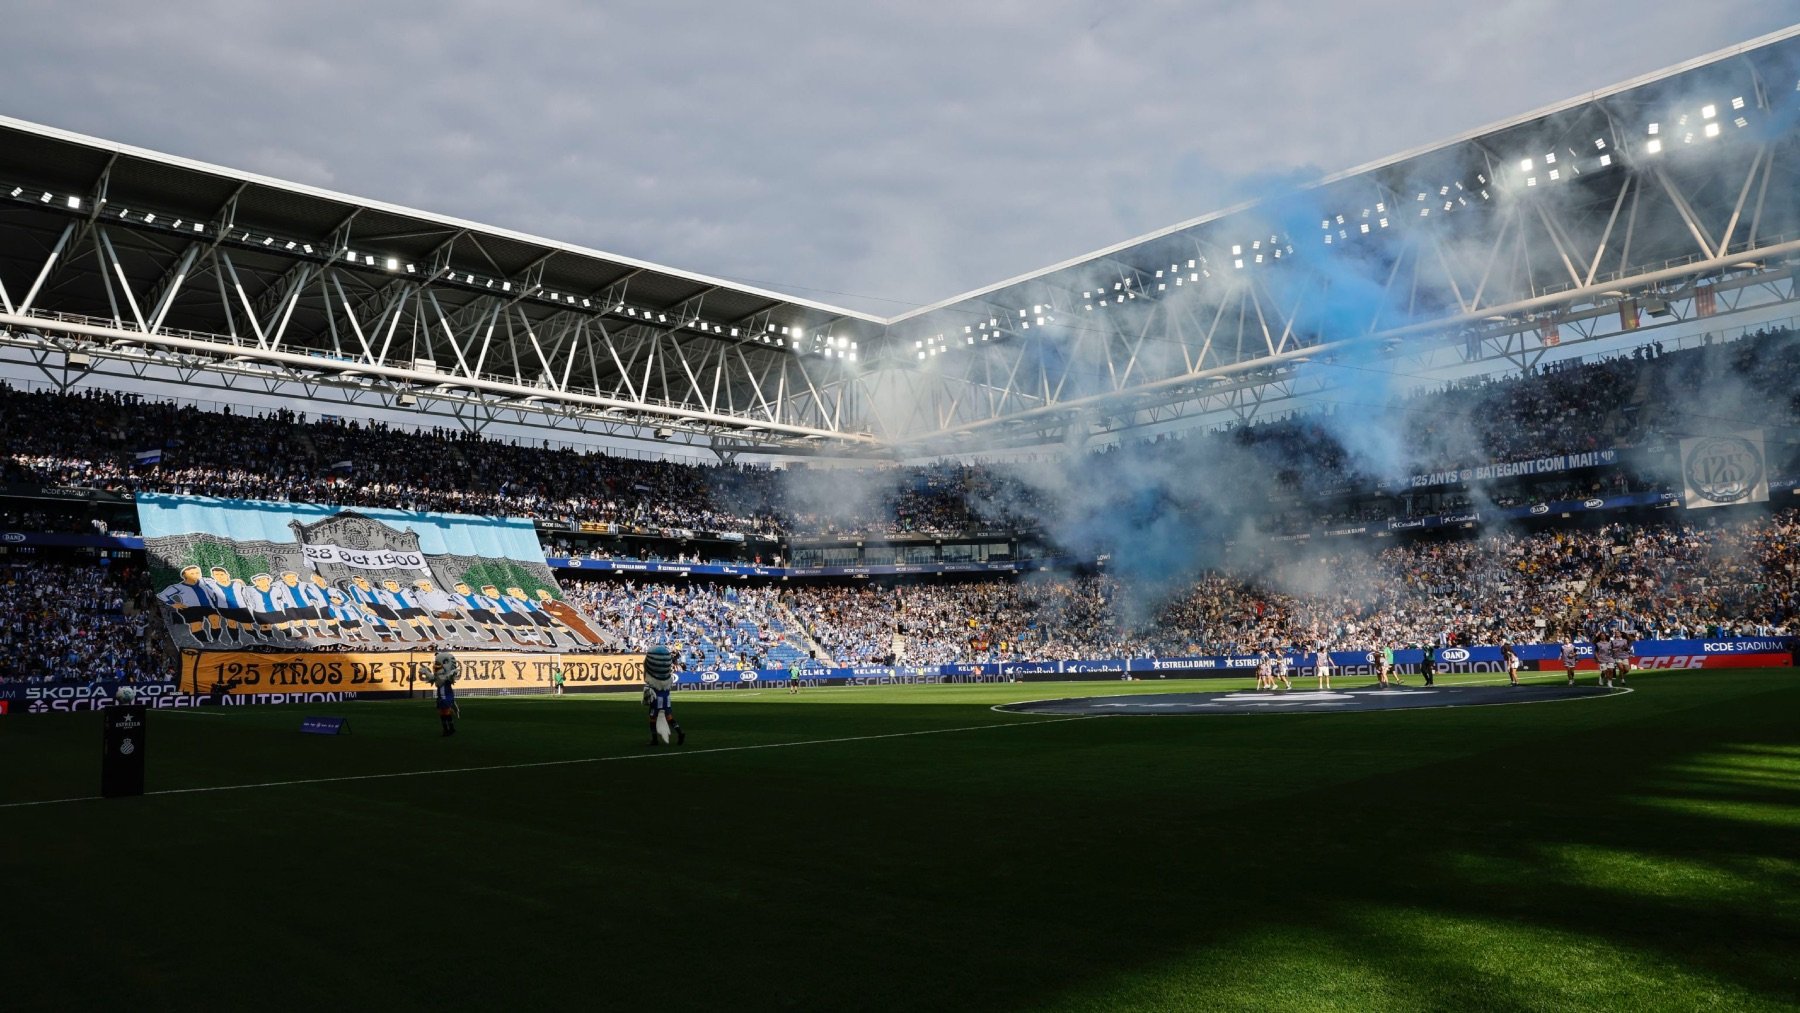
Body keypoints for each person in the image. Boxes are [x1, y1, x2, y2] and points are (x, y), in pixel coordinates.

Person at [641, 645, 685, 746]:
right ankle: (679, 732)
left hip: (657, 697)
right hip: (666, 696)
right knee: (669, 716)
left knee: (652, 718)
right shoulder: (667, 676)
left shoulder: (652, 676)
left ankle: (654, 739)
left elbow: (648, 679)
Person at [433, 651, 460, 737]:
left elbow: (449, 678)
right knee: (443, 714)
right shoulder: (440, 677)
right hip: (441, 698)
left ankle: (448, 729)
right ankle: (449, 728)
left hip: (445, 698)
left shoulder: (447, 677)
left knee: (445, 713)